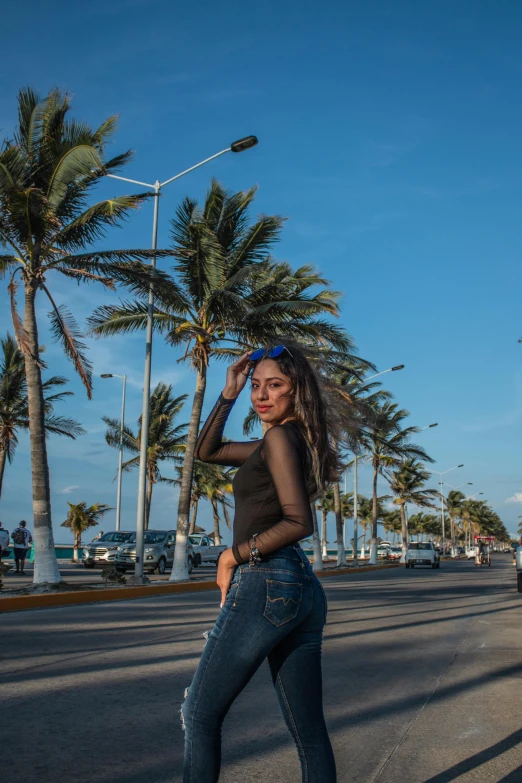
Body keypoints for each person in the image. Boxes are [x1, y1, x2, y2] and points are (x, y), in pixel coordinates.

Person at [181, 344, 338, 783]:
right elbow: (207, 451)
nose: (262, 395)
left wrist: (233, 554)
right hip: (299, 587)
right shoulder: (281, 442)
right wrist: (228, 392)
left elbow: (297, 521)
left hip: (267, 579)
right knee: (309, 733)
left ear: (297, 391)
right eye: (256, 386)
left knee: (199, 713)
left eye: (275, 385)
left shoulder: (279, 438)